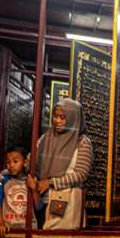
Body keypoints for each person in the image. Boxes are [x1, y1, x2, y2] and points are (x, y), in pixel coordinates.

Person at [33, 98, 93, 230]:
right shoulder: (44, 139)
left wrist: (50, 182)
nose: (57, 121)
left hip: (68, 201)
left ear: (73, 119)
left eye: (63, 117)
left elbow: (81, 175)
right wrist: (4, 174)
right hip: (41, 199)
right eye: (55, 116)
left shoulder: (82, 142)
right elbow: (30, 163)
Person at [0, 146, 41, 236]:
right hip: (8, 228)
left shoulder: (31, 180)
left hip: (28, 228)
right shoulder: (4, 180)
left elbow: (38, 206)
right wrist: (0, 222)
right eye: (8, 162)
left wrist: (34, 189)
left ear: (25, 162)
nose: (11, 165)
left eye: (15, 161)